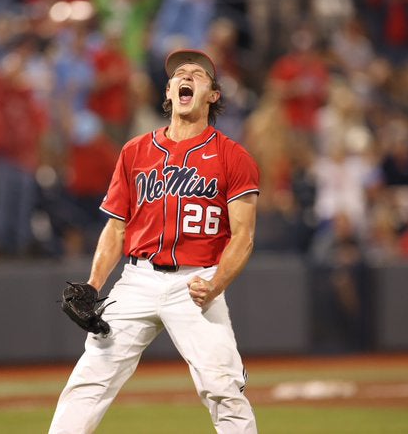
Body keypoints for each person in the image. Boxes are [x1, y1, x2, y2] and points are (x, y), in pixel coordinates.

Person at [49, 49, 260, 433]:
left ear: (213, 95)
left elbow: (243, 236)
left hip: (197, 280)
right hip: (138, 279)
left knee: (222, 387)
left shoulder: (233, 156)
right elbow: (116, 229)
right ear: (168, 90)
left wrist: (215, 285)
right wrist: (94, 286)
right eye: (180, 73)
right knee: (90, 377)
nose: (187, 76)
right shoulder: (135, 151)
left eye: (198, 75)